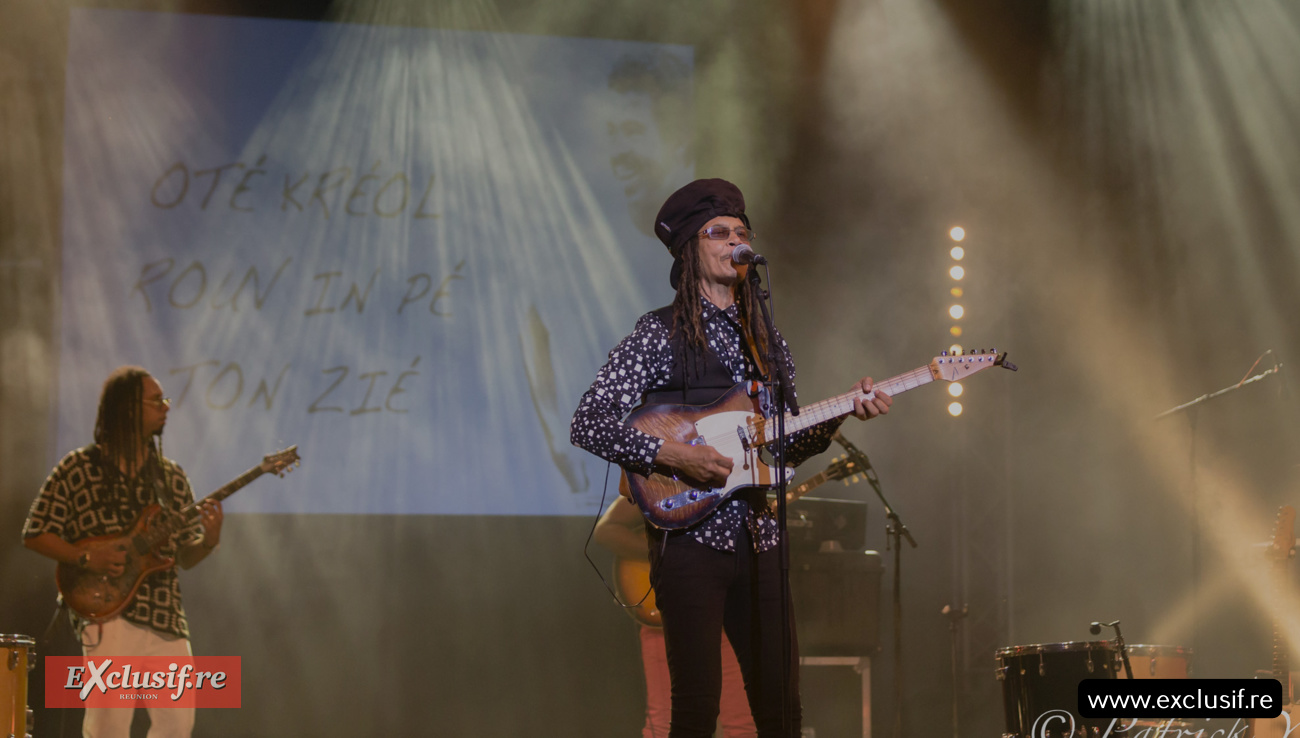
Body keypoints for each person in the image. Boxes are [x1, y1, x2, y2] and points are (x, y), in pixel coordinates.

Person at [570, 178, 892, 737]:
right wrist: (672, 455)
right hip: (691, 543)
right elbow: (588, 421)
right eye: (718, 232)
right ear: (690, 250)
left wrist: (841, 413)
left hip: (763, 540)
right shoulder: (658, 334)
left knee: (782, 712)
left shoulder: (767, 340)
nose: (734, 241)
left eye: (741, 232)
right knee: (696, 712)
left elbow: (788, 444)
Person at [23, 366, 223, 738]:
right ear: (128, 409)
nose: (166, 407)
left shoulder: (171, 477)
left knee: (179, 725)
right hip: (106, 614)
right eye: (156, 400)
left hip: (165, 616)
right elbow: (35, 533)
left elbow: (184, 556)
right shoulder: (78, 468)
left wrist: (208, 541)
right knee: (108, 727)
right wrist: (86, 558)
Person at [595, 480, 757, 738]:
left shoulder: (736, 476)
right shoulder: (659, 480)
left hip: (725, 611)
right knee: (664, 723)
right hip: (669, 614)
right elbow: (606, 531)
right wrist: (669, 554)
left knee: (743, 724)